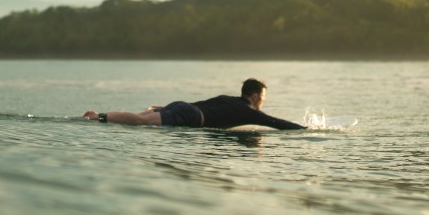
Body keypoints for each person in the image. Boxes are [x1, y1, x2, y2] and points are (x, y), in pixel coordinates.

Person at [83, 78, 304, 130]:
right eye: (263, 97)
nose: (264, 102)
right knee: (141, 121)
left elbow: (201, 103)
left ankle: (101, 116)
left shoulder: (227, 99)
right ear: (255, 96)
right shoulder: (248, 111)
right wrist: (306, 129)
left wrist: (166, 108)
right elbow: (277, 123)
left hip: (184, 107)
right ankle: (98, 116)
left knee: (143, 118)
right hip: (189, 116)